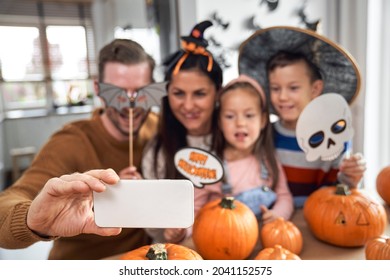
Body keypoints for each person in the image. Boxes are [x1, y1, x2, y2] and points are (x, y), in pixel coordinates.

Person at [0, 38, 159, 259]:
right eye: (117, 93)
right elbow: (6, 206)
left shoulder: (159, 128)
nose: (130, 104)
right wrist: (34, 219)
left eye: (140, 92)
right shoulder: (69, 142)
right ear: (98, 89)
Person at [238, 26, 366, 208]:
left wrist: (352, 175)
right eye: (275, 88)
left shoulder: (333, 139)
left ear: (315, 89)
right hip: (275, 221)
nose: (282, 97)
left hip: (319, 220)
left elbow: (343, 191)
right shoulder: (265, 135)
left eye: (293, 88)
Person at [141, 20, 223, 244]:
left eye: (199, 94)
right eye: (178, 93)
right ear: (167, 94)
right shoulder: (157, 152)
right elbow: (155, 233)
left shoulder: (235, 141)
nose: (188, 106)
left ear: (218, 93)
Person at [194, 74, 294, 225]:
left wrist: (278, 215)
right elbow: (195, 210)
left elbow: (284, 196)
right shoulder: (209, 166)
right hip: (222, 239)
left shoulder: (267, 159)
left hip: (263, 239)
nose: (240, 123)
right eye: (230, 116)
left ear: (263, 120)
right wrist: (183, 230)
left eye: (249, 115)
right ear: (220, 122)